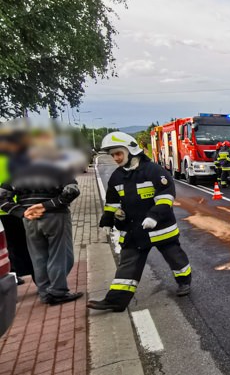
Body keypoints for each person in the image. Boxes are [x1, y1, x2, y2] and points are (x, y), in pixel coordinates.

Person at [88, 132, 192, 312]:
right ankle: (116, 301)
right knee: (128, 264)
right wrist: (108, 219)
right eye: (113, 155)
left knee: (175, 258)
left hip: (161, 228)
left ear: (130, 150)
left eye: (118, 154)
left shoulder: (154, 170)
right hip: (134, 229)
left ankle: (184, 283)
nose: (116, 158)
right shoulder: (117, 176)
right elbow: (112, 202)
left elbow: (166, 195)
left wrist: (153, 216)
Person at [0, 140, 81, 305]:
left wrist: (22, 212)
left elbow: (1, 197)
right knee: (61, 256)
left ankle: (45, 293)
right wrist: (46, 206)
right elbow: (72, 190)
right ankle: (58, 292)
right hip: (55, 217)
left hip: (29, 220)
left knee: (38, 258)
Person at [0, 125, 34, 284]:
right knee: (26, 246)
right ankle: (39, 280)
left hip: (8, 209)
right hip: (14, 209)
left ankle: (12, 276)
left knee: (7, 248)